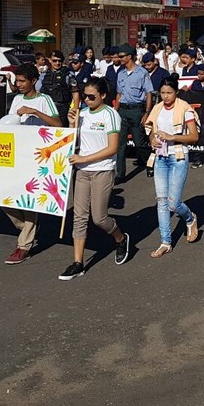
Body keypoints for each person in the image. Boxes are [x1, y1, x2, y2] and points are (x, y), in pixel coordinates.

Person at [0, 64, 62, 265]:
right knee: (4, 197)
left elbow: (58, 125)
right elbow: (10, 124)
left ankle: (23, 245)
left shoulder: (44, 100)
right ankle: (28, 226)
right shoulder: (16, 99)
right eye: (17, 81)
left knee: (30, 198)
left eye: (22, 81)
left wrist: (35, 112)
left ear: (34, 81)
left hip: (38, 156)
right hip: (18, 155)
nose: (18, 85)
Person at [58, 77, 131, 279]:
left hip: (103, 170)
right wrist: (73, 123)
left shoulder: (111, 115)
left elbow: (113, 148)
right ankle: (78, 263)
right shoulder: (81, 114)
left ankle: (120, 237)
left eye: (92, 97)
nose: (87, 100)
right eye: (85, 96)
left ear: (103, 96)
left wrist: (85, 158)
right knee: (79, 217)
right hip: (82, 170)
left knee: (99, 218)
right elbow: (74, 141)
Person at [144, 77, 200, 257]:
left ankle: (190, 218)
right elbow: (152, 129)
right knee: (161, 201)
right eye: (163, 93)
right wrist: (152, 138)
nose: (166, 96)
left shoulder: (185, 108)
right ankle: (165, 242)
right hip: (160, 158)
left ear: (176, 92)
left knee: (173, 203)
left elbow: (193, 137)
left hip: (178, 157)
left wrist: (171, 137)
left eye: (169, 92)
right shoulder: (157, 108)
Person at [114, 44, 154, 182]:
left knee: (139, 143)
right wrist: (116, 110)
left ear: (129, 57)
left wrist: (146, 113)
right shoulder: (120, 73)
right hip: (123, 110)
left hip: (137, 110)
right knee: (120, 144)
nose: (119, 58)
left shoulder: (142, 73)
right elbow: (119, 94)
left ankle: (150, 163)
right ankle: (120, 174)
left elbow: (149, 93)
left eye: (121, 56)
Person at [41, 50, 80, 126]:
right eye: (54, 60)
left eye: (60, 61)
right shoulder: (44, 74)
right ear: (49, 60)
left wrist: (75, 110)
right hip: (46, 109)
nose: (57, 63)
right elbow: (38, 92)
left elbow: (75, 93)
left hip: (62, 109)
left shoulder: (68, 74)